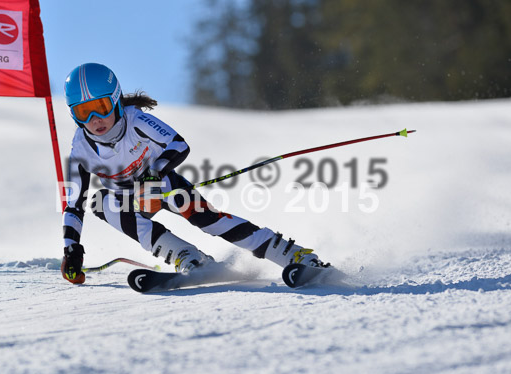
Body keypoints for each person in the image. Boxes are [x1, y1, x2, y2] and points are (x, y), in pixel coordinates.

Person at [60, 63, 324, 284]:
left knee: (207, 219)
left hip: (163, 185)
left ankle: (295, 255)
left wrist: (154, 172)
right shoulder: (81, 149)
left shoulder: (136, 120)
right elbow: (74, 205)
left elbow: (178, 144)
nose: (95, 119)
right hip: (130, 201)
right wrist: (71, 248)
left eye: (102, 107)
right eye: (84, 112)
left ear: (116, 101)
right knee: (99, 202)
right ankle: (186, 256)